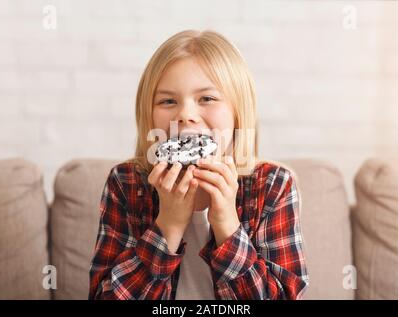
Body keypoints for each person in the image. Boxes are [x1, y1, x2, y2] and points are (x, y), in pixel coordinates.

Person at [88, 29, 309, 300]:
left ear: (238, 113)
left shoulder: (273, 185)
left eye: (207, 98)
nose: (186, 115)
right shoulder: (126, 184)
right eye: (168, 101)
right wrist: (167, 225)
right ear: (149, 116)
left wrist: (227, 224)